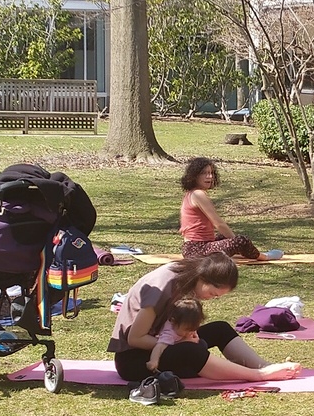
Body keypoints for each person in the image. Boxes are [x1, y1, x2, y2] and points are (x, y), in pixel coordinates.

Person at [111, 254, 301, 384]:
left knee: (220, 329)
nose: (211, 298)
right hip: (134, 361)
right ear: (202, 278)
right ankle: (258, 375)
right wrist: (181, 341)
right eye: (212, 293)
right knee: (189, 350)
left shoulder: (186, 278)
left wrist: (185, 335)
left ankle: (265, 366)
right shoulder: (162, 287)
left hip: (164, 343)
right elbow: (135, 338)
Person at [178, 157, 261, 261]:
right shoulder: (198, 194)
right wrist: (236, 242)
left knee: (225, 237)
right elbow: (218, 224)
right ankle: (263, 257)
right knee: (241, 240)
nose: (209, 177)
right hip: (197, 250)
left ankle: (248, 251)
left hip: (195, 248)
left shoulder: (191, 194)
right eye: (204, 173)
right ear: (194, 176)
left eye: (211, 173)